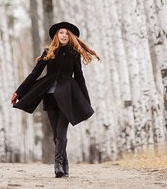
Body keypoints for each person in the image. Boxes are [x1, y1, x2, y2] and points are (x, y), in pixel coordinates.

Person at [11, 21, 100, 178]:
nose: (64, 35)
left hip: (67, 96)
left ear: (70, 36)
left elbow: (80, 78)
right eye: (61, 33)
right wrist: (18, 92)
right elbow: (34, 75)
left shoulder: (74, 54)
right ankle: (64, 166)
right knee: (55, 135)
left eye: (66, 33)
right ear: (56, 36)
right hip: (50, 96)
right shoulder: (48, 52)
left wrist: (85, 100)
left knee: (61, 131)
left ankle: (57, 164)